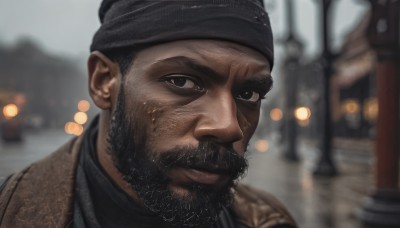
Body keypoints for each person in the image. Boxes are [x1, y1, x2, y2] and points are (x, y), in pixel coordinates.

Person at [0, 0, 297, 227]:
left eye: (248, 94)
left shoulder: (271, 220)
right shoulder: (10, 213)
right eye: (182, 81)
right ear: (104, 82)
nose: (228, 126)